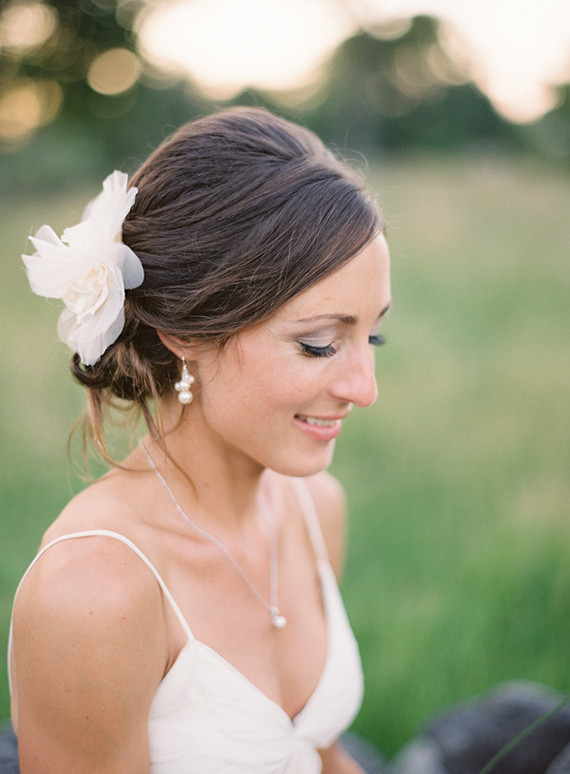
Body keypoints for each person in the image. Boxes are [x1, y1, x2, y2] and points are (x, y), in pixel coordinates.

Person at [9, 107, 391, 773]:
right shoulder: (93, 591)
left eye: (373, 335)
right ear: (186, 331)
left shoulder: (315, 508)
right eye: (319, 344)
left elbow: (322, 756)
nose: (365, 388)